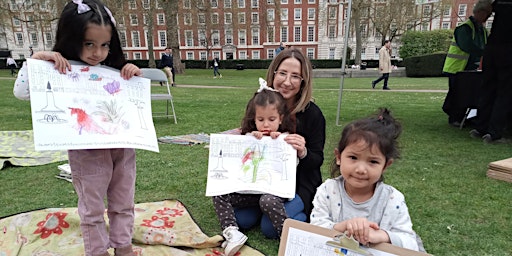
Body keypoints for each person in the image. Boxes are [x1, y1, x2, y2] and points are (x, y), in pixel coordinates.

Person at [12, 1, 141, 255]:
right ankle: (98, 251)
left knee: (124, 202)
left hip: (122, 148)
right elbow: (21, 92)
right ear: (72, 39)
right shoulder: (59, 68)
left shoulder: (114, 70)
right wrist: (37, 60)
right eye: (89, 44)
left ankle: (124, 247)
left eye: (105, 45)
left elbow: (132, 102)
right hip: (87, 153)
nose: (97, 53)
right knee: (92, 207)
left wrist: (133, 74)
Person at [232, 48, 326, 240]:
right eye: (282, 73)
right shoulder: (260, 102)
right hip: (262, 181)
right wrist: (249, 136)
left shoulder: (312, 114)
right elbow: (247, 131)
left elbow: (317, 160)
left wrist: (303, 152)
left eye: (295, 76)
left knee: (269, 229)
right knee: (242, 220)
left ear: (303, 81)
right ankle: (264, 208)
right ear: (273, 73)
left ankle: (300, 215)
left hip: (298, 184)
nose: (287, 82)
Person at [310, 108, 426, 252]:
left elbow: (410, 242)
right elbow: (313, 230)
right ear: (339, 157)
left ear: (385, 165)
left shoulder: (392, 198)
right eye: (353, 158)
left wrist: (381, 235)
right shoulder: (328, 190)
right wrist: (343, 226)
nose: (361, 169)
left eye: (373, 161)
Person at [212, 79, 295, 256]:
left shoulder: (286, 139)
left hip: (273, 193)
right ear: (254, 119)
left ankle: (286, 236)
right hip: (249, 193)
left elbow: (292, 166)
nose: (266, 125)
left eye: (271, 119)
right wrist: (250, 138)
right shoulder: (249, 137)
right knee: (218, 191)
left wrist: (281, 143)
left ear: (281, 119)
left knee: (268, 201)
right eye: (261, 119)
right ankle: (231, 231)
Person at [441, 0, 492, 127]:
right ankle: (454, 117)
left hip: (471, 68)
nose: (488, 17)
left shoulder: (482, 31)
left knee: (464, 94)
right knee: (457, 94)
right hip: (456, 67)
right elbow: (467, 46)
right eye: (487, 14)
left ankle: (462, 117)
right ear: (480, 12)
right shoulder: (464, 28)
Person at [469, 0, 512, 144]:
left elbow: (482, 10)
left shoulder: (498, 3)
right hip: (507, 49)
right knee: (504, 92)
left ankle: (481, 127)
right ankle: (494, 133)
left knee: (488, 89)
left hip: (492, 48)